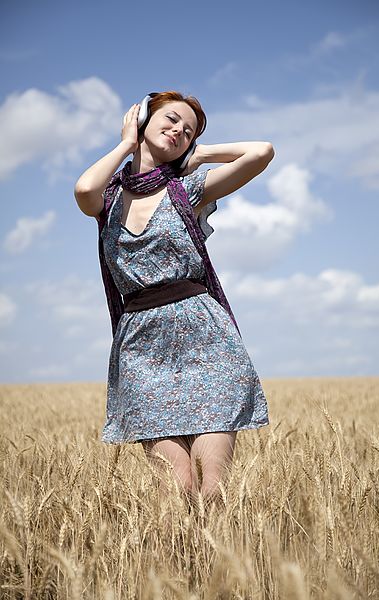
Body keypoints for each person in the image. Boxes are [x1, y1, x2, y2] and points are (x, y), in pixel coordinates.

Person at [74, 91, 274, 506]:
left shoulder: (189, 190)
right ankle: (178, 571)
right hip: (141, 346)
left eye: (188, 130)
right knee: (175, 489)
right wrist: (126, 145)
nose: (178, 130)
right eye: (169, 119)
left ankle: (220, 570)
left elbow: (261, 152)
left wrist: (197, 155)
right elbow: (83, 189)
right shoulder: (107, 201)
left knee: (212, 487)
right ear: (143, 119)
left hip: (206, 340)